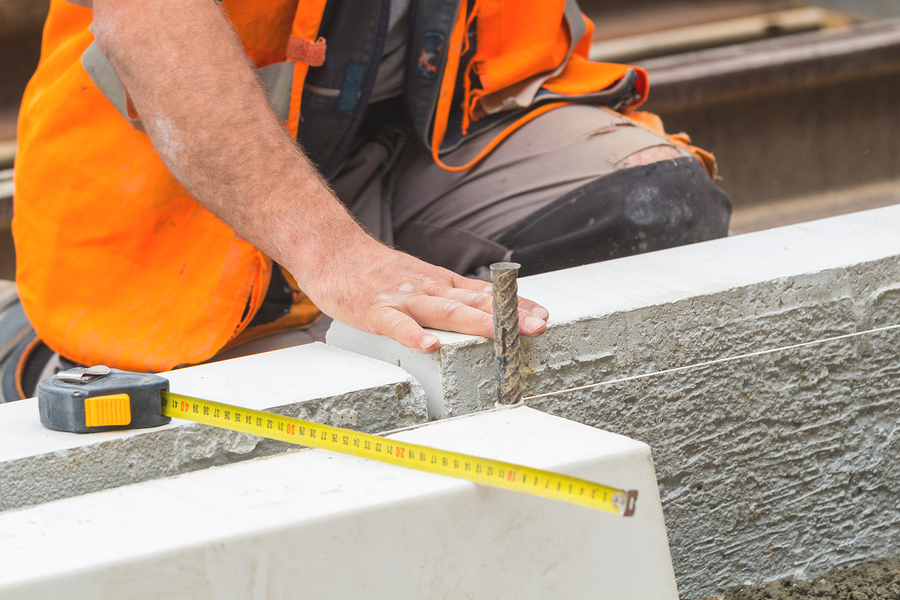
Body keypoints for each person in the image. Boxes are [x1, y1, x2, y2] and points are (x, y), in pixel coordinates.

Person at [0, 0, 732, 401]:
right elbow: (150, 18)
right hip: (191, 194)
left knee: (653, 205)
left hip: (434, 133)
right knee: (248, 403)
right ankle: (26, 345)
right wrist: (333, 255)